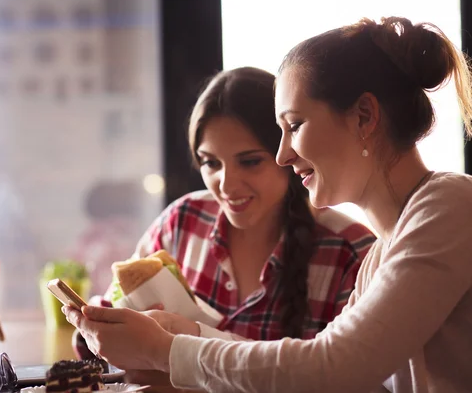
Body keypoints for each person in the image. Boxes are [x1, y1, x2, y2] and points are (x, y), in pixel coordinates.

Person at [64, 16, 472, 389]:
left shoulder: (449, 206)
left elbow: (333, 365)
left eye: (294, 125)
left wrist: (162, 349)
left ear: (364, 116)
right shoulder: (383, 254)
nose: (283, 155)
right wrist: (182, 333)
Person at [78, 66, 375, 349]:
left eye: (249, 162)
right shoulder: (183, 221)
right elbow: (113, 308)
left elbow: (345, 377)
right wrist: (97, 329)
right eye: (211, 163)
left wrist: (187, 338)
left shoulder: (349, 252)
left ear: (287, 155)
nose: (226, 184)